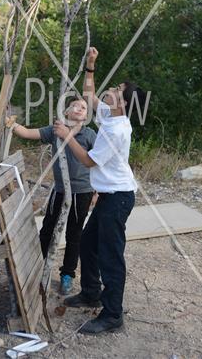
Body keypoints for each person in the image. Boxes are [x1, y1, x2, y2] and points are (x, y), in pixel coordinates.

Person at [54, 47, 147, 334]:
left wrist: (67, 135)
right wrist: (91, 65)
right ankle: (91, 292)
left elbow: (87, 160)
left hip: (118, 198)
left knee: (110, 255)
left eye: (118, 90)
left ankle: (112, 315)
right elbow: (90, 95)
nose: (113, 88)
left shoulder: (116, 130)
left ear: (123, 103)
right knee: (87, 243)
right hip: (109, 197)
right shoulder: (110, 114)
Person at [8, 97, 96, 295]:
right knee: (47, 228)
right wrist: (11, 123)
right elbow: (27, 133)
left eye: (84, 107)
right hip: (59, 191)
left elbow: (98, 162)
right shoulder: (55, 130)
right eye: (76, 105)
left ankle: (67, 275)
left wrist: (96, 191)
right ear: (66, 111)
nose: (81, 109)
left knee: (75, 234)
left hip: (82, 192)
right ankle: (37, 266)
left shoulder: (89, 135)